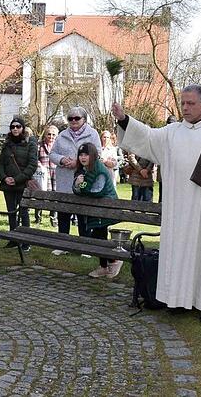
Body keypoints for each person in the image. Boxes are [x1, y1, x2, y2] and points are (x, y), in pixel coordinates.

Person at [111, 85, 201, 323]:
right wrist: (124, 120)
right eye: (183, 103)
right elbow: (147, 137)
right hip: (179, 209)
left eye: (191, 103)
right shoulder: (172, 132)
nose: (185, 108)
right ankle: (179, 299)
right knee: (179, 253)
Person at [49, 106, 101, 255]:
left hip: (84, 179)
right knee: (64, 213)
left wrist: (77, 163)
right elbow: (53, 154)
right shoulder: (62, 135)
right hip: (65, 179)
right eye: (70, 118)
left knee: (83, 214)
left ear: (84, 119)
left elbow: (97, 154)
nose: (73, 121)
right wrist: (61, 159)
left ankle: (84, 247)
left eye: (77, 118)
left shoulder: (93, 134)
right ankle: (62, 245)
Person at [72, 142, 124, 278]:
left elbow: (97, 191)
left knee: (99, 237)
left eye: (86, 155)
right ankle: (106, 265)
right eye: (81, 155)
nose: (83, 157)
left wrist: (81, 187)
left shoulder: (99, 169)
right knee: (98, 236)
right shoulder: (84, 169)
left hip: (105, 208)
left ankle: (114, 261)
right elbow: (80, 190)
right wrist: (77, 185)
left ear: (93, 155)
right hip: (96, 210)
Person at [0, 116, 38, 251]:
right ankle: (13, 239)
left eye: (18, 126)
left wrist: (18, 178)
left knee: (23, 211)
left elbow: (32, 165)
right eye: (13, 127)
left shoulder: (30, 143)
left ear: (23, 128)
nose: (15, 129)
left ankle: (26, 241)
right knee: (11, 212)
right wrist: (4, 178)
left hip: (22, 183)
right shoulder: (7, 143)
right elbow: (1, 163)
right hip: (8, 183)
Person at [34, 125, 59, 226]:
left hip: (55, 173)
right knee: (40, 195)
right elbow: (34, 158)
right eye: (49, 134)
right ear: (45, 134)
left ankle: (53, 218)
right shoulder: (39, 145)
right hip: (43, 173)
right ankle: (38, 217)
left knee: (55, 196)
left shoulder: (58, 146)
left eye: (53, 135)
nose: (51, 136)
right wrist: (39, 165)